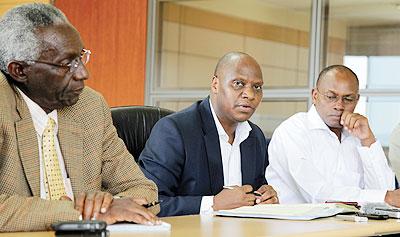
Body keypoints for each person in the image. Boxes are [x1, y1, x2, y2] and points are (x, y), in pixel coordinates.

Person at [0, 3, 159, 232]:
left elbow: (142, 189)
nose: (84, 73)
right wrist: (81, 212)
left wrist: (110, 205)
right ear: (19, 70)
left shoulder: (90, 106)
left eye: (81, 57)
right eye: (67, 64)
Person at [139, 52, 279, 217]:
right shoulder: (174, 131)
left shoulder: (254, 136)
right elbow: (147, 203)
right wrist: (213, 204)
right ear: (215, 85)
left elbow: (254, 191)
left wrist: (265, 197)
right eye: (239, 83)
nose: (250, 95)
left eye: (257, 87)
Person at [266, 65, 400, 206]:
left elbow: (386, 193)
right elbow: (317, 194)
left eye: (348, 99)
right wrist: (383, 197)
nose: (339, 106)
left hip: (353, 225)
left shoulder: (356, 134)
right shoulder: (293, 130)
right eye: (331, 97)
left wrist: (368, 140)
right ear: (315, 96)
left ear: (357, 100)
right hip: (299, 225)